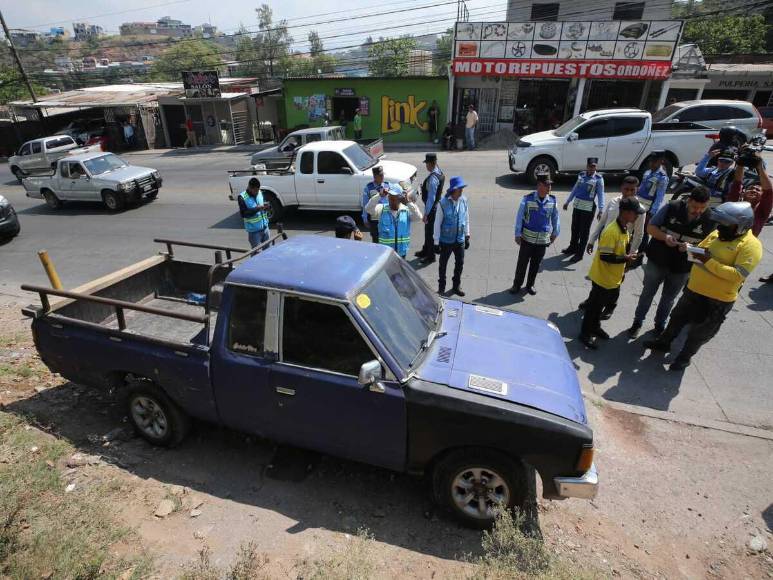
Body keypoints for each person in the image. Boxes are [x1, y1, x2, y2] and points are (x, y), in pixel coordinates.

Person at [644, 202, 763, 370]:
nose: (720, 227)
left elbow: (737, 275)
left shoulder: (752, 246)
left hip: (718, 300)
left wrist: (708, 261)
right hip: (694, 290)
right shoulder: (716, 234)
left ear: (741, 226)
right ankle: (664, 343)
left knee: (700, 332)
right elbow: (698, 253)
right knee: (677, 317)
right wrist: (693, 251)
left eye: (726, 224)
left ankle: (684, 358)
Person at [628, 188, 713, 338]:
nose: (698, 211)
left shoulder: (711, 219)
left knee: (668, 299)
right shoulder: (672, 207)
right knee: (647, 293)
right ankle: (637, 322)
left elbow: (707, 253)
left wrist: (690, 249)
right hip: (658, 260)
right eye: (694, 207)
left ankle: (660, 325)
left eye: (702, 208)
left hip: (682, 268)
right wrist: (665, 237)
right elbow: (651, 228)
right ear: (689, 200)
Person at [579, 197, 646, 349]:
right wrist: (626, 258)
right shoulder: (611, 231)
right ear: (626, 213)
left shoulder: (625, 230)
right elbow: (605, 256)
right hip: (602, 278)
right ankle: (585, 334)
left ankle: (595, 327)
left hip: (612, 279)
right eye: (636, 213)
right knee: (594, 308)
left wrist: (628, 259)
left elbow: (621, 252)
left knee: (600, 306)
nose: (637, 216)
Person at [583, 175, 645, 320]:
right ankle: (592, 301)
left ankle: (610, 306)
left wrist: (630, 255)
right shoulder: (613, 202)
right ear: (621, 188)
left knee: (616, 280)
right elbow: (602, 222)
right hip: (606, 243)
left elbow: (639, 235)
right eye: (626, 189)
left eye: (632, 190)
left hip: (623, 249)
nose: (628, 192)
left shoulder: (639, 210)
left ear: (637, 190)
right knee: (598, 276)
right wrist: (591, 240)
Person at [724, 149, 773, 283]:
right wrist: (740, 164)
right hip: (723, 248)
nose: (754, 190)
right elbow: (737, 184)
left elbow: (769, 192)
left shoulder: (760, 213)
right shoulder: (734, 204)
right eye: (751, 188)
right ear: (743, 193)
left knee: (732, 283)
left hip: (743, 253)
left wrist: (759, 166)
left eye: (758, 190)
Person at [510, 173, 560, 295]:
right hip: (527, 239)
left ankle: (530, 285)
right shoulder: (527, 199)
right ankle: (517, 285)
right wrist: (517, 233)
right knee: (522, 263)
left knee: (535, 265)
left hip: (542, 241)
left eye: (550, 185)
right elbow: (520, 217)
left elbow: (555, 218)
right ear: (539, 185)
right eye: (546, 185)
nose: (549, 187)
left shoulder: (552, 201)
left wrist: (555, 232)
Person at [562, 157, 605, 263]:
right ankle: (572, 247)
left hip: (588, 208)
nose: (592, 168)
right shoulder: (581, 175)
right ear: (587, 166)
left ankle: (579, 254)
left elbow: (600, 195)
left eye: (594, 166)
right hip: (577, 206)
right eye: (590, 166)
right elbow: (575, 189)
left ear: (596, 167)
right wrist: (568, 201)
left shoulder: (598, 179)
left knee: (584, 232)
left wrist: (600, 209)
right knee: (574, 229)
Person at [434, 176, 470, 296]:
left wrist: (467, 235)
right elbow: (437, 223)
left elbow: (466, 218)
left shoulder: (464, 200)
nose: (462, 191)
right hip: (446, 241)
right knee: (443, 265)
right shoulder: (442, 204)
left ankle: (456, 286)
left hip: (460, 239)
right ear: (453, 190)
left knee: (460, 263)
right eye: (460, 189)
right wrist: (436, 242)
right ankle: (441, 288)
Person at [365, 183, 422, 259]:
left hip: (401, 253)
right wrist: (379, 196)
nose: (391, 201)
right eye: (390, 197)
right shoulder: (382, 209)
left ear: (400, 198)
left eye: (394, 198)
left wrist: (409, 203)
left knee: (400, 271)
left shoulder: (406, 210)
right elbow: (368, 209)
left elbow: (418, 217)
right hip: (385, 253)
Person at [637, 150, 669, 249]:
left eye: (654, 161)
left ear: (661, 161)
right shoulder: (647, 172)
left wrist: (652, 213)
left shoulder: (662, 177)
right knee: (635, 229)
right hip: (638, 204)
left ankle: (640, 253)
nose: (651, 163)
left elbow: (659, 197)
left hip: (648, 208)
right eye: (650, 161)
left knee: (644, 231)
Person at [417, 153, 445, 263]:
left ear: (432, 164)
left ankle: (430, 256)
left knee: (430, 233)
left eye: (427, 163)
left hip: (432, 209)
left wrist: (426, 214)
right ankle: (425, 250)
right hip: (437, 206)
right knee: (428, 231)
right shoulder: (439, 172)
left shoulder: (433, 178)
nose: (426, 166)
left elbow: (431, 198)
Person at [361, 166, 391, 243]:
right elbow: (365, 204)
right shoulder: (368, 188)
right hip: (375, 219)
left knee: (387, 239)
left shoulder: (387, 185)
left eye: (383, 175)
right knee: (376, 240)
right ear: (375, 176)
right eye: (380, 175)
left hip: (386, 218)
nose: (383, 177)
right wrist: (365, 218)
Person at [238, 177, 270, 248]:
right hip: (254, 232)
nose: (257, 192)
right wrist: (257, 209)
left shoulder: (259, 192)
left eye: (258, 190)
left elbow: (261, 204)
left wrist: (266, 207)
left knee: (268, 253)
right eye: (255, 190)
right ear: (249, 187)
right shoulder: (242, 197)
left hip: (265, 228)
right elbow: (244, 214)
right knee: (256, 255)